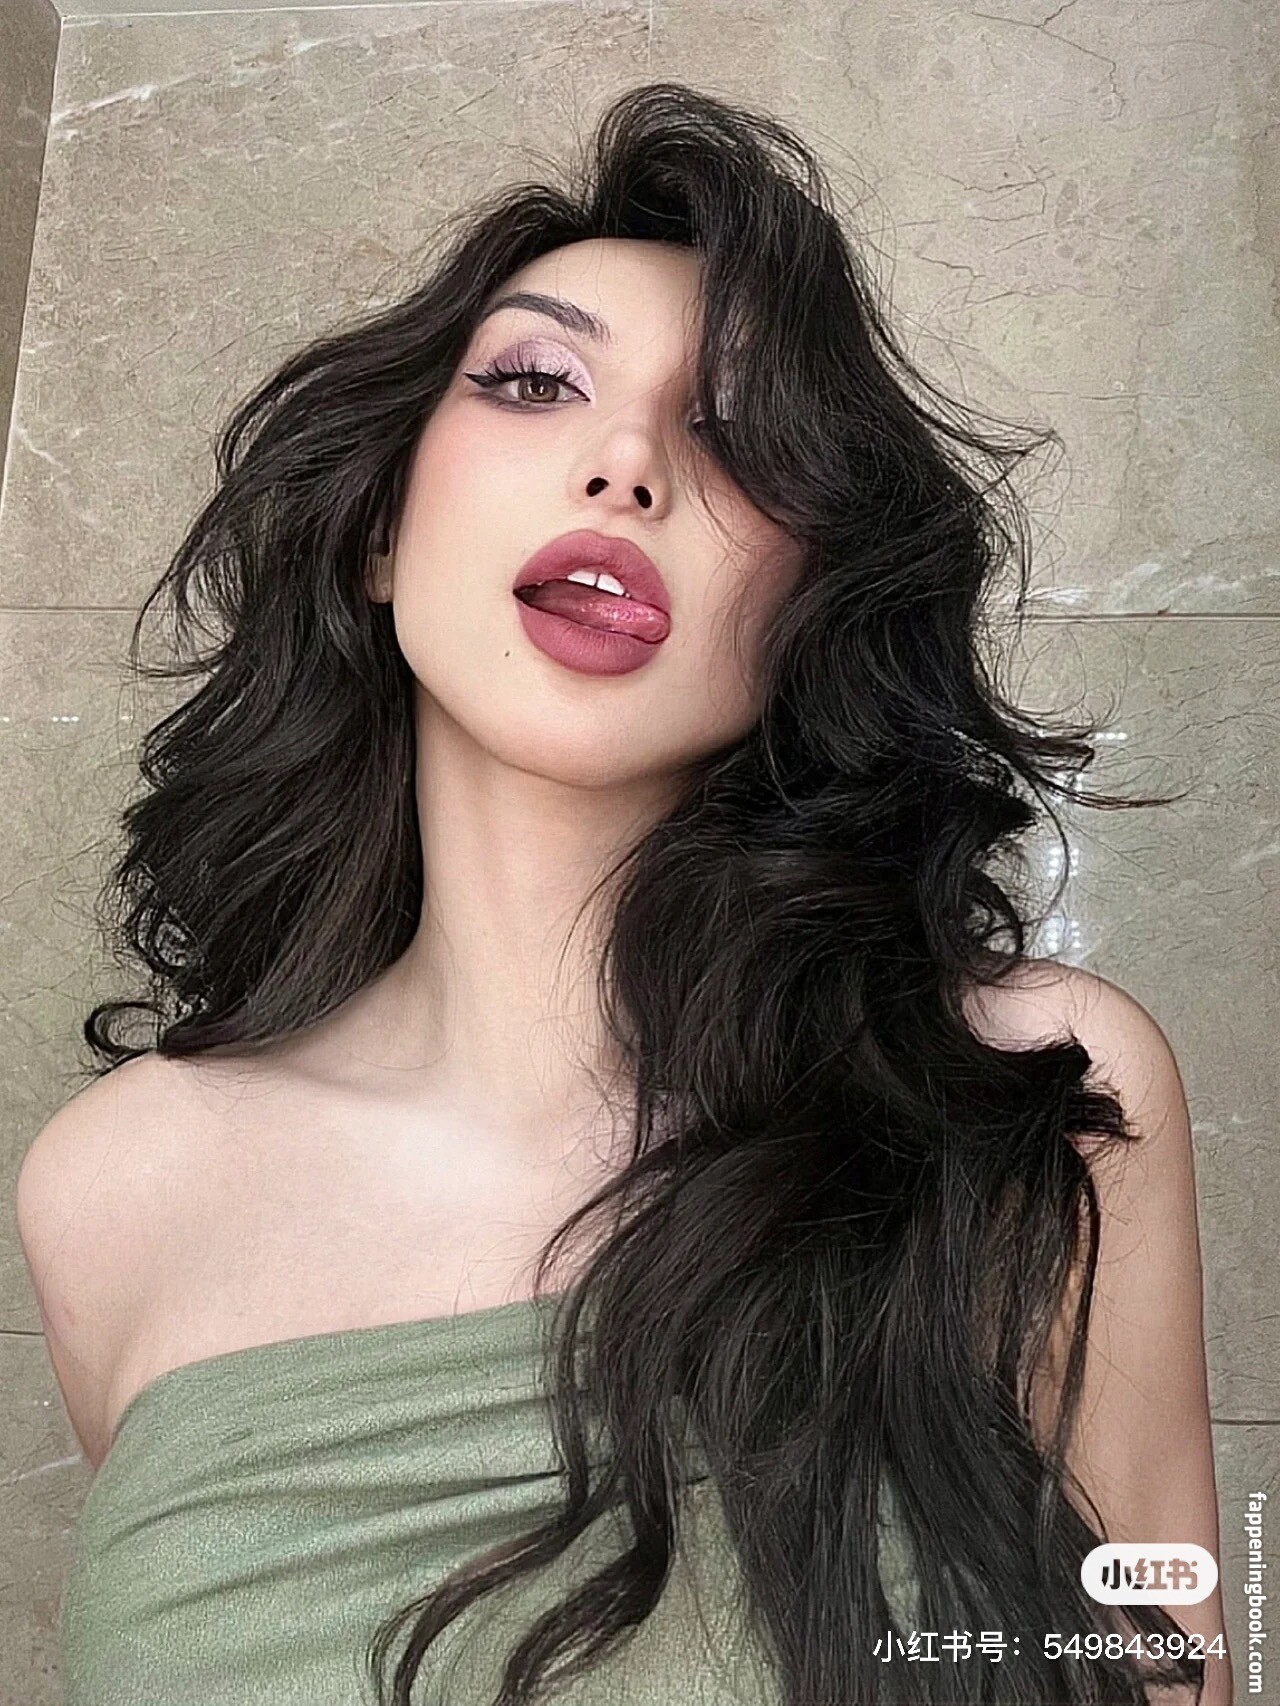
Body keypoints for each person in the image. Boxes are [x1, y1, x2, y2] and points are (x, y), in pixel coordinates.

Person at [15, 81, 1229, 1706]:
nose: (628, 463)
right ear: (377, 531)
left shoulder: (1024, 1094)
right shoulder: (115, 1188)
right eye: (535, 381)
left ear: (808, 605)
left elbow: (1167, 1656)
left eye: (736, 435)